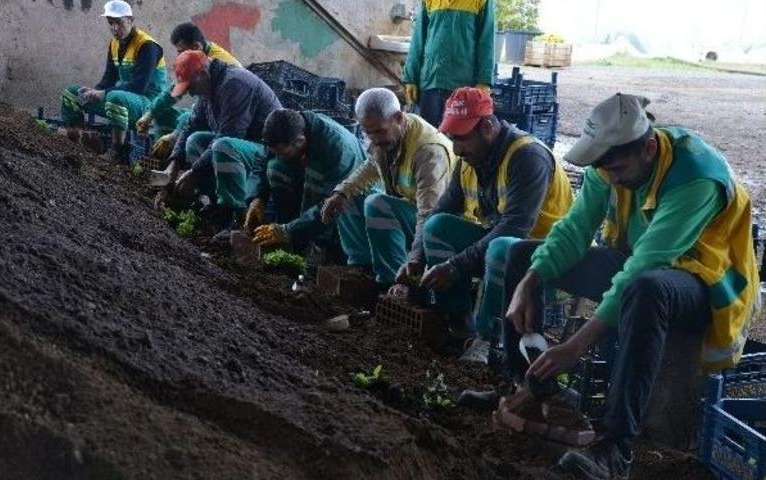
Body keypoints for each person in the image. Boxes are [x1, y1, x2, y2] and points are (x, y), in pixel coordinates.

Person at [502, 93, 759, 479]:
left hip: (706, 283)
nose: (611, 179)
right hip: (642, 265)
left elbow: (648, 262)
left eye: (618, 170)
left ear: (649, 148)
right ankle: (526, 386)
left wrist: (576, 345)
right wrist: (529, 281)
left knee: (646, 288)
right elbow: (574, 229)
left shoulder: (697, 176)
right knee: (523, 256)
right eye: (604, 171)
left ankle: (614, 449)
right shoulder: (608, 164)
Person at [405, 87, 572, 358]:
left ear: (487, 127)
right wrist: (416, 256)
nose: (456, 149)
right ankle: (457, 323)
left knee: (502, 246)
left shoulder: (528, 157)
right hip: (504, 250)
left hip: (548, 260)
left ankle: (489, 339)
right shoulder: (470, 158)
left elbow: (515, 228)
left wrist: (455, 266)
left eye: (462, 138)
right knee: (438, 227)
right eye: (451, 138)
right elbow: (442, 209)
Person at [320, 88, 455, 291]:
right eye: (368, 132)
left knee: (378, 205)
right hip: (411, 213)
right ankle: (362, 267)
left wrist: (414, 261)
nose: (373, 138)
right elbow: (371, 167)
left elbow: (428, 214)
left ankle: (393, 281)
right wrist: (341, 192)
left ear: (399, 118)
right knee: (347, 198)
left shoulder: (428, 151)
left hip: (438, 229)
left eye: (379, 131)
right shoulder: (386, 139)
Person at [154, 50, 281, 217]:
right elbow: (191, 125)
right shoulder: (208, 88)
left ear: (203, 74)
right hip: (239, 145)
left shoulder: (235, 84)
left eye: (191, 86)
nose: (190, 92)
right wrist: (174, 163)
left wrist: (194, 172)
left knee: (223, 146)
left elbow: (232, 134)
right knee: (195, 140)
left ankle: (233, 212)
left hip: (267, 151)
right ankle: (212, 201)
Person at [232, 109, 365, 253]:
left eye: (283, 152)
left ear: (300, 141)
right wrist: (257, 198)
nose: (278, 155)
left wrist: (289, 231)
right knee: (275, 166)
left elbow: (333, 203)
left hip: (350, 196)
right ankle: (289, 233)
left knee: (314, 176)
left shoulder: (338, 149)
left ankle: (318, 246)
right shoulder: (284, 131)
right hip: (311, 178)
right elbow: (262, 161)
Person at [60, 0, 169, 162]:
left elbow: (139, 86)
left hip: (148, 104)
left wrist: (103, 93)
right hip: (126, 99)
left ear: (130, 20)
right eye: (110, 23)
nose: (114, 27)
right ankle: (79, 139)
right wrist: (93, 92)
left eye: (119, 22)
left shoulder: (147, 46)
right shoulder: (114, 44)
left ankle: (119, 150)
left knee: (114, 98)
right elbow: (109, 78)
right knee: (71, 94)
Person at [135, 22, 242, 160]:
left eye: (181, 51)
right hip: (205, 115)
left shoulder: (219, 66)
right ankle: (162, 159)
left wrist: (174, 136)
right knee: (163, 113)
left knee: (185, 119)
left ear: (196, 46)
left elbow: (200, 112)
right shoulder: (198, 54)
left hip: (224, 126)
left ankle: (177, 161)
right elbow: (176, 89)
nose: (179, 56)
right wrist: (149, 114)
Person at [402, 0, 496, 127]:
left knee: (457, 137)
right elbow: (418, 39)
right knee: (426, 134)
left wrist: (483, 82)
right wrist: (411, 78)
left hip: (463, 84)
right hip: (430, 82)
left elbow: (487, 42)